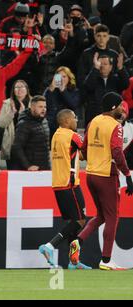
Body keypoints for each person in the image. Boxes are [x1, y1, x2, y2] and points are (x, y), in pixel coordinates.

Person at [70, 92, 133, 271]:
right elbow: (117, 152)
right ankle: (106, 260)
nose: (122, 108)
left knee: (101, 216)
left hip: (90, 175)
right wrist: (127, 175)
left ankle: (77, 241)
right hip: (107, 176)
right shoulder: (116, 126)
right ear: (113, 107)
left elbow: (83, 148)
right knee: (113, 217)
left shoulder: (94, 121)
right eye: (120, 105)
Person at [38, 109, 91, 270]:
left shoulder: (56, 135)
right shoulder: (72, 135)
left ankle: (73, 261)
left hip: (58, 184)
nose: (76, 121)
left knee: (73, 222)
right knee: (80, 220)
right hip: (70, 183)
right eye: (75, 118)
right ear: (67, 121)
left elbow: (75, 154)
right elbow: (88, 150)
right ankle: (49, 246)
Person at [83, 53, 129, 126]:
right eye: (100, 63)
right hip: (94, 117)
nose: (102, 66)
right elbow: (88, 86)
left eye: (105, 64)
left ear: (110, 67)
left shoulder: (116, 79)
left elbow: (126, 84)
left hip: (113, 117)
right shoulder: (93, 77)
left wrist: (121, 69)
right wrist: (95, 69)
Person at [11, 95, 50, 171]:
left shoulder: (44, 121)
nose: (44, 109)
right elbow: (17, 147)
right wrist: (28, 165)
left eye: (45, 107)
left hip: (44, 167)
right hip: (31, 169)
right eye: (40, 107)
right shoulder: (24, 124)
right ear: (32, 107)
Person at [0, 80, 31, 169]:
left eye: (22, 87)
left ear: (27, 89)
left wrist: (22, 115)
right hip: (12, 145)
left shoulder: (33, 103)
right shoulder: (7, 103)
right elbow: (1, 124)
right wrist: (12, 113)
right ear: (13, 90)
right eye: (17, 87)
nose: (19, 89)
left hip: (29, 146)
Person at [44, 66, 80, 137]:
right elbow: (44, 104)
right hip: (52, 125)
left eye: (64, 77)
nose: (62, 79)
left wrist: (63, 91)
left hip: (68, 125)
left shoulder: (74, 91)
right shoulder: (51, 90)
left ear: (69, 78)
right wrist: (51, 89)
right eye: (59, 77)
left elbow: (73, 104)